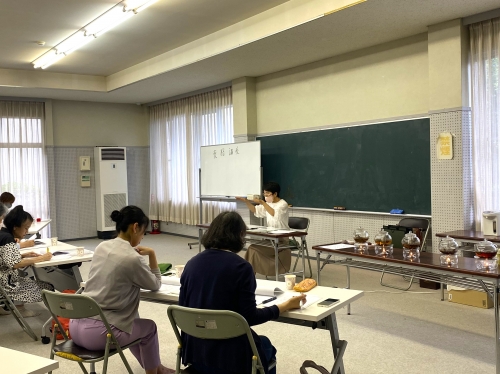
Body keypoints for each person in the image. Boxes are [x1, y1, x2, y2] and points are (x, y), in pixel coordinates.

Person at [179, 211, 305, 374]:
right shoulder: (241, 268)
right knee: (266, 346)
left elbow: (182, 308)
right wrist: (284, 306)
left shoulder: (191, 264)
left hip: (195, 353)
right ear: (239, 235)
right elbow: (250, 317)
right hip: (232, 357)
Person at [69, 206, 170, 374]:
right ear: (135, 227)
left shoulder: (101, 246)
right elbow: (155, 284)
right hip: (100, 334)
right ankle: (154, 371)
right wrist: (152, 254)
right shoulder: (132, 258)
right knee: (149, 327)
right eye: (143, 233)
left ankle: (155, 366)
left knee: (133, 320)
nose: (142, 238)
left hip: (75, 326)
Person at [0, 206, 53, 317]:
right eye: (25, 228)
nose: (27, 232)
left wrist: (24, 255)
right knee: (48, 289)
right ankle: (59, 317)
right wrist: (40, 258)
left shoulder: (3, 235)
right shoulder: (7, 238)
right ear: (15, 227)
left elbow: (4, 258)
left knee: (36, 282)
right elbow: (14, 264)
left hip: (5, 282)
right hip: (8, 287)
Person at [236, 181, 291, 276]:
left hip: (281, 239)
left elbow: (275, 214)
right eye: (264, 193)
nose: (265, 196)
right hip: (270, 238)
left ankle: (248, 274)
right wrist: (246, 201)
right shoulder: (268, 203)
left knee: (253, 249)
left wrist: (262, 202)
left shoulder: (283, 204)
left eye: (267, 194)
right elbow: (255, 210)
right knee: (251, 248)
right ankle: (247, 273)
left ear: (275, 194)